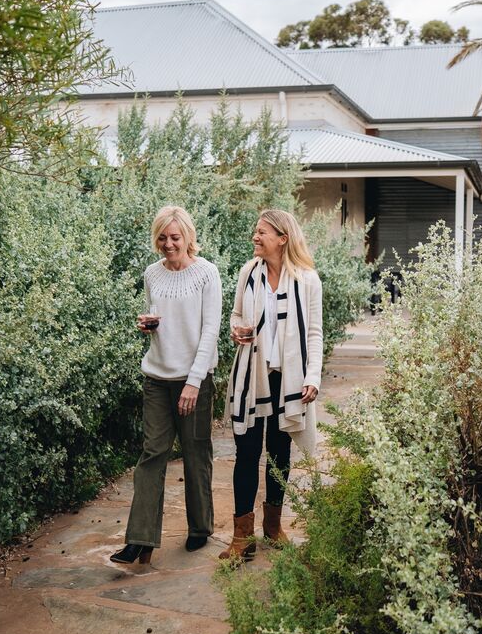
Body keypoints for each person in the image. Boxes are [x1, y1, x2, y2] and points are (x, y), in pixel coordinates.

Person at [111, 206, 222, 565]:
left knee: (195, 453)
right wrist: (148, 326)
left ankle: (200, 527)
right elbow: (158, 317)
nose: (168, 244)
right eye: (162, 237)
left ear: (188, 237)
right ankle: (139, 539)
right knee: (152, 454)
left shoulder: (207, 274)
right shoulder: (152, 274)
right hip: (157, 378)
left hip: (195, 380)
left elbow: (209, 331)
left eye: (175, 237)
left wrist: (193, 382)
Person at [220, 209, 323, 562]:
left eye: (261, 232)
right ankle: (241, 537)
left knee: (280, 454)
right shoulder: (248, 273)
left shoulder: (308, 279)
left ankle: (273, 527)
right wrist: (237, 331)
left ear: (282, 238)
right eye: (255, 231)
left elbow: (315, 333)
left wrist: (313, 377)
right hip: (253, 375)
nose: (255, 237)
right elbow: (236, 315)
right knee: (247, 453)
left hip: (288, 378)